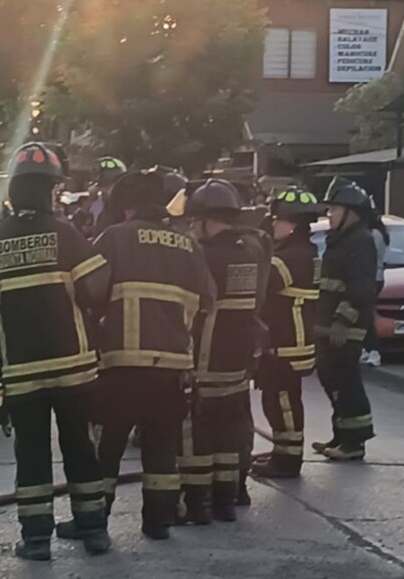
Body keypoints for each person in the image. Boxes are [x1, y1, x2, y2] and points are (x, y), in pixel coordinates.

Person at [0, 142, 112, 561]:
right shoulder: (66, 234)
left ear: (13, 190)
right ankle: (94, 530)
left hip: (23, 372)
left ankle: (36, 539)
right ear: (50, 190)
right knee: (80, 448)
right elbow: (98, 290)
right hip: (75, 370)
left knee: (31, 454)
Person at [87, 169, 216, 540]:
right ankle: (159, 520)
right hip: (173, 367)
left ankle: (95, 522)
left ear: (126, 208)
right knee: (162, 446)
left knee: (107, 446)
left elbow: (92, 292)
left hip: (122, 365)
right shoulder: (189, 244)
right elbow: (209, 299)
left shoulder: (115, 237)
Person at [179, 179, 271, 523]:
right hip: (239, 356)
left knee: (198, 431)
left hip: (206, 356)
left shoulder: (204, 255)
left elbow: (191, 305)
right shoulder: (252, 249)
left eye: (194, 221)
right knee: (232, 428)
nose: (191, 227)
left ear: (206, 219)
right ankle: (227, 498)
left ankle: (199, 504)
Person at [251, 188, 323, 479]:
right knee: (282, 398)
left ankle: (288, 460)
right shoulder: (306, 252)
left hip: (285, 341)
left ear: (291, 224)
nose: (273, 225)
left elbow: (260, 286)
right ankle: (283, 450)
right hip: (295, 337)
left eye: (277, 220)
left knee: (281, 400)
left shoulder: (286, 259)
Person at [313, 177, 378, 461]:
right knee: (333, 381)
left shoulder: (360, 241)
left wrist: (341, 320)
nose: (329, 215)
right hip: (330, 326)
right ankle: (341, 436)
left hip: (345, 328)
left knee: (346, 382)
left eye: (333, 210)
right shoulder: (343, 239)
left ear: (350, 212)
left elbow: (361, 287)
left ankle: (354, 443)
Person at [362, 210, 390, 367]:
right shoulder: (379, 233)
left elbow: (369, 258)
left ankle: (374, 351)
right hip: (376, 277)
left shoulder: (372, 235)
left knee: (366, 316)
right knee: (364, 314)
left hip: (372, 277)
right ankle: (367, 349)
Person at [90, 156, 129, 236]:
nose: (102, 191)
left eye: (106, 186)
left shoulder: (127, 208)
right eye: (101, 186)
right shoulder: (101, 205)